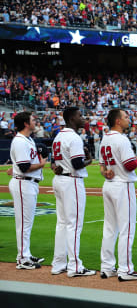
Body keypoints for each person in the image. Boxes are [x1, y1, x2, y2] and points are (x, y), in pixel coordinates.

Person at [99, 109, 137, 282]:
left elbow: (102, 166)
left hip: (109, 184)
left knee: (110, 228)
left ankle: (107, 267)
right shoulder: (121, 139)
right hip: (122, 185)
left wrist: (106, 173)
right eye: (126, 117)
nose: (129, 119)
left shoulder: (105, 138)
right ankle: (125, 269)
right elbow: (130, 164)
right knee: (126, 229)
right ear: (118, 121)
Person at [50, 107, 96, 277]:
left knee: (62, 223)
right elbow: (77, 164)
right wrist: (90, 160)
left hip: (60, 180)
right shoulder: (73, 137)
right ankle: (75, 266)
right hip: (72, 181)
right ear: (71, 119)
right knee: (74, 224)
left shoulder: (58, 136)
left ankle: (58, 263)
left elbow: (52, 163)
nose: (82, 118)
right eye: (79, 116)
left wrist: (57, 167)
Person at [8, 112, 47, 270]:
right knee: (24, 223)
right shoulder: (20, 141)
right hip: (23, 183)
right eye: (32, 119)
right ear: (25, 123)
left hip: (28, 183)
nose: (34, 121)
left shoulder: (27, 139)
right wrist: (42, 163)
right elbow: (24, 167)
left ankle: (26, 253)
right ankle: (22, 259)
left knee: (26, 223)